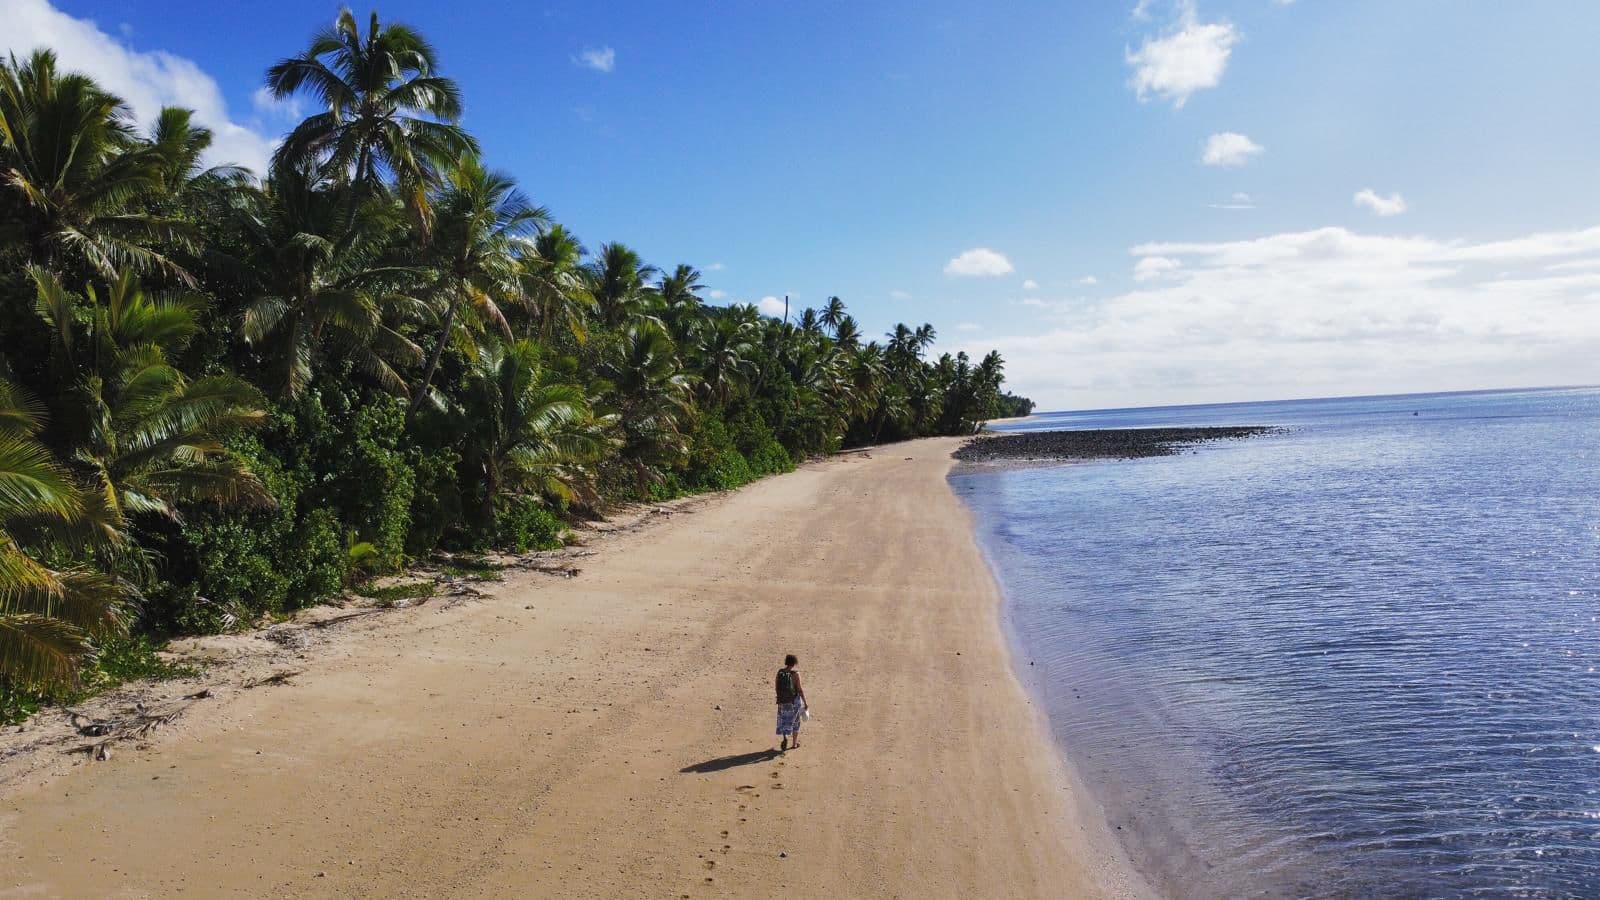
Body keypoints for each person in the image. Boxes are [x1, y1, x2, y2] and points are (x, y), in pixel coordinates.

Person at [775, 654, 807, 751]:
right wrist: (805, 702)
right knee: (796, 722)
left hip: (782, 701)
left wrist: (780, 698)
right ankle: (794, 743)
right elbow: (800, 690)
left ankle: (785, 737)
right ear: (794, 663)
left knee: (784, 720)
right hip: (793, 702)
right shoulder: (796, 674)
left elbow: (776, 686)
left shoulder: (780, 672)